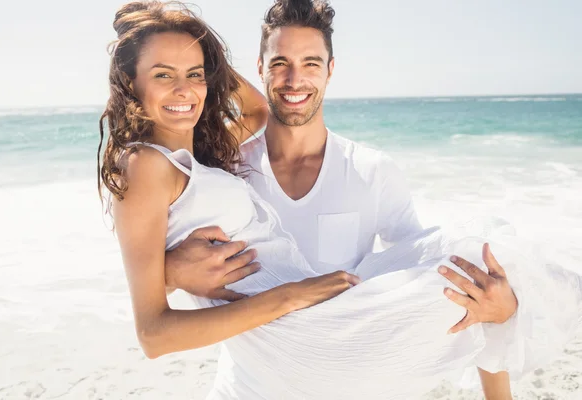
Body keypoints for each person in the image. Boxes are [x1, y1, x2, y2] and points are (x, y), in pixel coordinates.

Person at [99, 1, 582, 399]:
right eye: (280, 64)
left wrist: (506, 308)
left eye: (311, 63)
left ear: (331, 70)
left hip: (341, 352)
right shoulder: (223, 161)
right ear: (261, 69)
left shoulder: (356, 169)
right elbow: (151, 318)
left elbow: (422, 274)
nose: (294, 80)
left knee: (487, 260)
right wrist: (171, 272)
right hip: (258, 377)